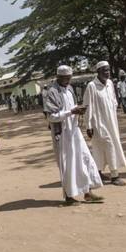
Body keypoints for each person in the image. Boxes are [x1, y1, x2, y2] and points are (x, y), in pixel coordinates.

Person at [47, 65, 103, 205]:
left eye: (69, 78)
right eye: (65, 78)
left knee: (84, 159)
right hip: (63, 134)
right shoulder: (51, 92)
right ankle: (69, 196)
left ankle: (87, 192)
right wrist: (71, 112)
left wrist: (79, 111)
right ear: (58, 77)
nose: (68, 80)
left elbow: (73, 107)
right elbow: (51, 117)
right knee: (67, 165)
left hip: (75, 130)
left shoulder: (70, 89)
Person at [83, 61, 126, 186]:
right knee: (109, 145)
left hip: (111, 122)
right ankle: (114, 175)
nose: (107, 73)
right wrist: (88, 125)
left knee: (99, 149)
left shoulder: (110, 84)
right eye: (104, 70)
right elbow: (88, 106)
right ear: (98, 72)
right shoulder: (92, 86)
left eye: (108, 70)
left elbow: (114, 101)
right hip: (98, 123)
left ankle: (97, 172)